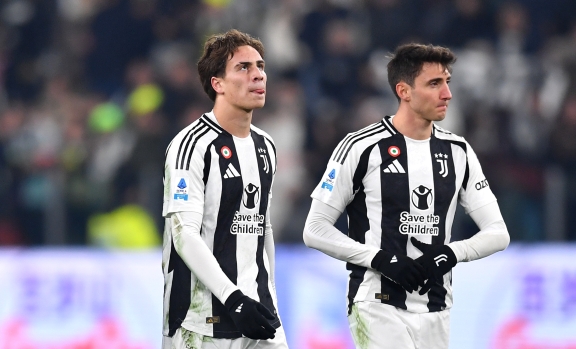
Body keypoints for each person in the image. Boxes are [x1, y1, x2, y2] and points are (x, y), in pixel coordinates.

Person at [303, 42, 510, 348]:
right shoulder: (361, 147)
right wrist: (381, 259)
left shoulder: (458, 152)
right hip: (376, 303)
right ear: (404, 91)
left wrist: (450, 254)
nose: (447, 94)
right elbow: (315, 228)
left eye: (447, 83)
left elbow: (498, 233)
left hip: (437, 309)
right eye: (434, 84)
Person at [161, 29, 288, 349]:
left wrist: (268, 293)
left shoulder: (266, 146)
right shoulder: (190, 146)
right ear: (217, 84)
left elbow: (263, 225)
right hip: (202, 320)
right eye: (243, 68)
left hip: (259, 315)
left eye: (260, 66)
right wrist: (233, 299)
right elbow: (184, 235)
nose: (258, 74)